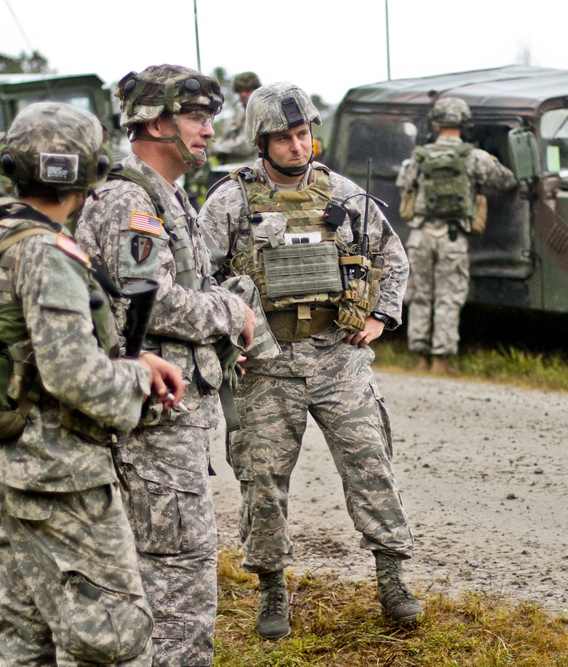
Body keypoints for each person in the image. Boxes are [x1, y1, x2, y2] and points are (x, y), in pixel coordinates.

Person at [0, 102, 186, 666]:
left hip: (6, 464)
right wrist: (139, 378)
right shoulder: (48, 252)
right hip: (62, 476)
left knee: (26, 637)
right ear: (89, 170)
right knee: (109, 642)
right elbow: (74, 376)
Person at [198, 81, 421, 639]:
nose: (298, 147)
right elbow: (198, 280)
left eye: (304, 135)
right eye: (285, 138)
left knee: (371, 465)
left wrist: (380, 319)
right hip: (267, 365)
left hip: (338, 359)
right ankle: (271, 588)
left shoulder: (344, 194)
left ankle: (392, 578)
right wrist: (231, 342)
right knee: (263, 481)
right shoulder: (230, 200)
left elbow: (393, 261)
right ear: (262, 142)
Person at [75, 64, 255, 667]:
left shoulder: (167, 192)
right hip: (152, 418)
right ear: (156, 121)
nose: (209, 130)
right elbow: (150, 300)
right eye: (197, 117)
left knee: (171, 565)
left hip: (172, 414)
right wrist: (230, 309)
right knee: (179, 572)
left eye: (210, 117)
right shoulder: (129, 196)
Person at [396, 96, 517, 374]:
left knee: (420, 295)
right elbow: (507, 181)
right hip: (453, 237)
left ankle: (420, 358)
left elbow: (403, 184)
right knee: (448, 298)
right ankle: (441, 361)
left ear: (436, 123)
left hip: (421, 237)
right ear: (465, 123)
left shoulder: (419, 157)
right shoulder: (473, 156)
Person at [212, 71, 261, 165]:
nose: (243, 94)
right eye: (240, 91)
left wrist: (218, 147)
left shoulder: (261, 114)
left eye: (247, 90)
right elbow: (228, 136)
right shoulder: (240, 115)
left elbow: (247, 145)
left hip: (252, 168)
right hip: (234, 168)